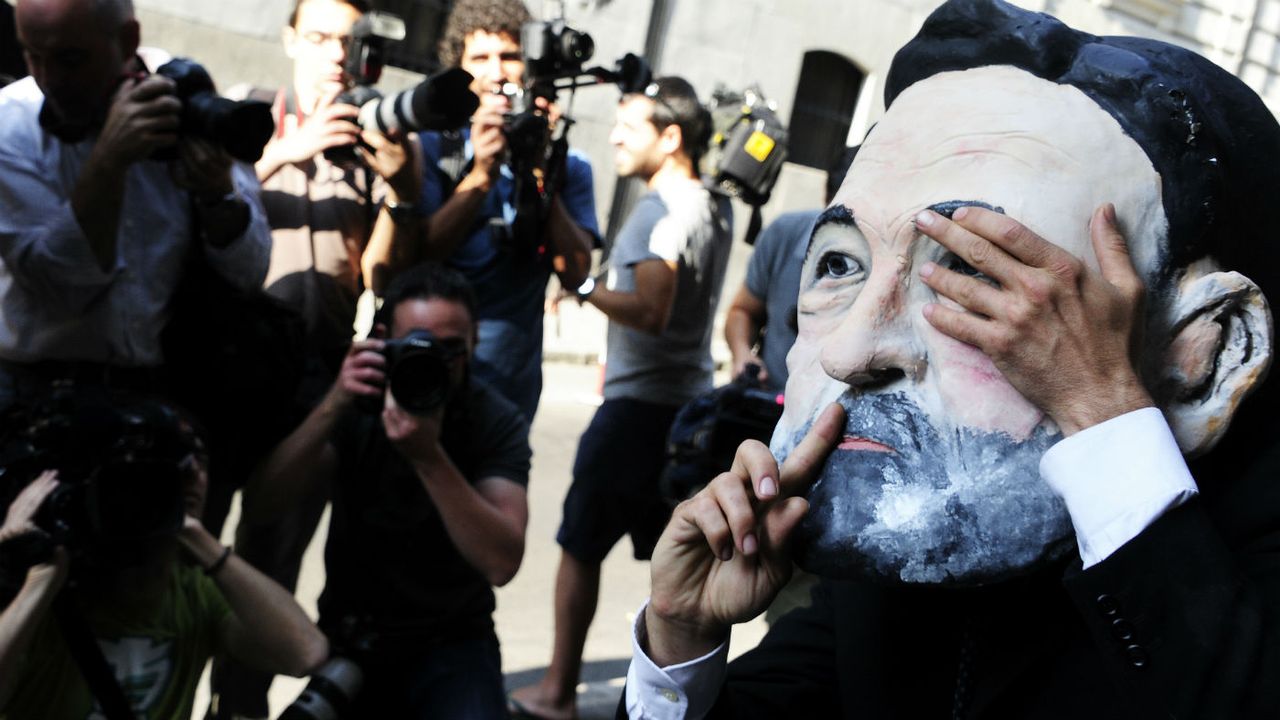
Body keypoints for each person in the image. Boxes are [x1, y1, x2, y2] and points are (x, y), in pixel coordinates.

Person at [622, 0, 1280, 717]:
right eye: (841, 264)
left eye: (979, 275)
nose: (848, 353)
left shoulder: (1240, 571)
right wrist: (681, 637)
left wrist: (1102, 411)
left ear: (1210, 353)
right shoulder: (886, 579)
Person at [205, 1, 424, 714]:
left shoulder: (374, 137)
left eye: (350, 40)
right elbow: (194, 211)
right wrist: (281, 154)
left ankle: (238, 706)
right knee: (187, 551)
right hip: (219, 370)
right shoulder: (243, 111)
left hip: (309, 382)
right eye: (323, 36)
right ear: (292, 39)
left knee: (269, 570)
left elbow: (381, 277)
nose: (337, 52)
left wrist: (399, 191)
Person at [509, 76, 732, 720]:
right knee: (683, 563)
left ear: (670, 138)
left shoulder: (661, 209)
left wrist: (581, 289)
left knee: (580, 547)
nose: (614, 136)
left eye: (628, 127)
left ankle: (556, 694)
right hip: (688, 405)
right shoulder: (714, 204)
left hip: (638, 410)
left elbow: (651, 309)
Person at [242, 262, 531, 718]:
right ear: (382, 338)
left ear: (475, 340)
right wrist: (333, 405)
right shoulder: (357, 403)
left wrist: (428, 457)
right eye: (417, 347)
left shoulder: (492, 418)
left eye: (451, 348)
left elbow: (501, 561)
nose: (436, 363)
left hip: (453, 639)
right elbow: (263, 505)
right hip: (355, 636)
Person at [0, 0, 270, 407]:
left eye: (70, 59)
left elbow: (250, 273)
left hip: (163, 392)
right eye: (31, 55)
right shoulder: (11, 125)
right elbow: (63, 289)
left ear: (128, 40)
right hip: (36, 391)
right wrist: (109, 161)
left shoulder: (183, 98)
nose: (46, 78)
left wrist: (218, 195)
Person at [0, 393, 328, 720]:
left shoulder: (194, 592)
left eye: (199, 462)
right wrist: (38, 579)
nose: (192, 477)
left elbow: (306, 653)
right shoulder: (49, 596)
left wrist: (194, 535)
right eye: (167, 469)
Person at [412, 0, 598, 421]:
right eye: (480, 58)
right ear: (458, 68)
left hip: (510, 390)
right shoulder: (430, 147)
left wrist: (538, 169)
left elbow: (577, 271)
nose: (496, 72)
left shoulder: (568, 165)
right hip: (426, 369)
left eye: (510, 56)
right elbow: (417, 257)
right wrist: (481, 174)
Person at [725, 146, 856, 393]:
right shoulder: (784, 234)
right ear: (826, 200)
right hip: (769, 402)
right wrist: (742, 354)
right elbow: (742, 310)